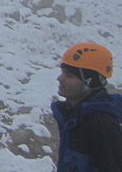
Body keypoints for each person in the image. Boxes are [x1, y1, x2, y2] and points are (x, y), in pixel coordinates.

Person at [52, 42, 122, 172]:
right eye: (62, 72)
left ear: (89, 82)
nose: (60, 78)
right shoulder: (75, 116)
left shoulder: (101, 123)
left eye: (69, 75)